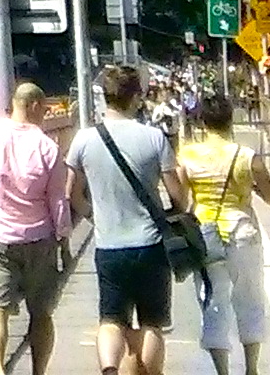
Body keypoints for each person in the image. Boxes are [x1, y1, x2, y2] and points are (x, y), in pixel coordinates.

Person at [67, 62, 190, 375]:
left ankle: (110, 368)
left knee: (111, 319)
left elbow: (73, 195)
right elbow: (177, 195)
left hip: (109, 245)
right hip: (150, 244)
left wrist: (96, 217)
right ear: (135, 97)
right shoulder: (154, 138)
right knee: (152, 322)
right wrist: (175, 210)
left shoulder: (84, 140)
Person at [0, 80, 69, 375]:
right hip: (40, 238)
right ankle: (38, 372)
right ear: (34, 106)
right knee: (41, 312)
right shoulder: (47, 147)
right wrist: (62, 236)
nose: (45, 115)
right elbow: (58, 199)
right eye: (44, 109)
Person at [176, 92, 270, 375]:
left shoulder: (188, 156)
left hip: (205, 234)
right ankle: (251, 368)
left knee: (213, 300)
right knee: (250, 298)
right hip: (241, 231)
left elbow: (181, 200)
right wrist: (252, 189)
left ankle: (222, 370)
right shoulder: (247, 157)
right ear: (230, 120)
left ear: (202, 122)